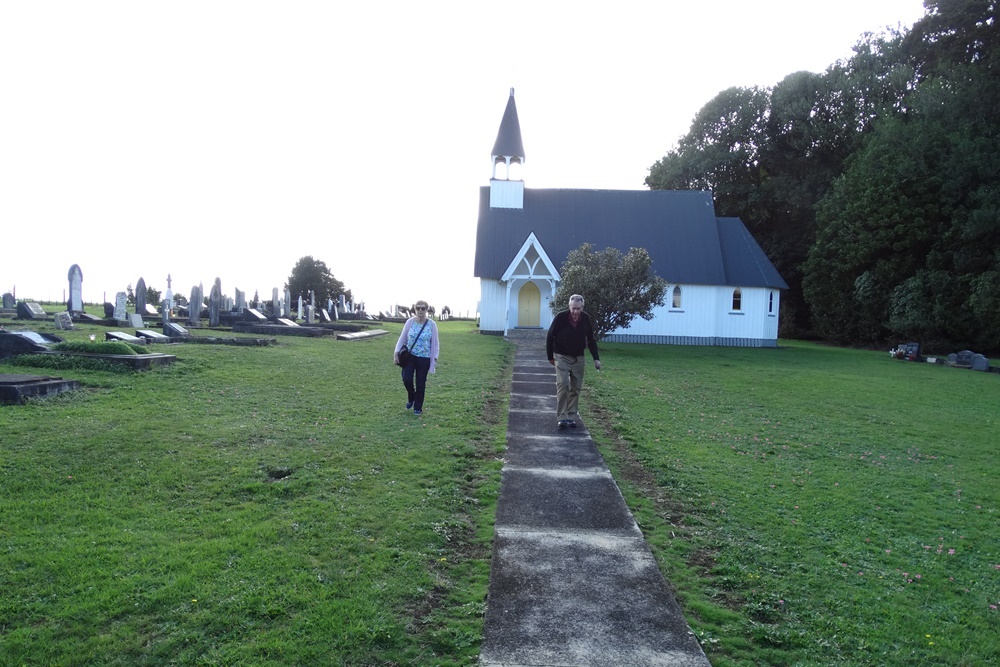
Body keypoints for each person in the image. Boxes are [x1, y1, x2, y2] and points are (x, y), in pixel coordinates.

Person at [546, 294, 601, 428]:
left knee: (576, 388)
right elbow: (550, 336)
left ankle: (571, 416)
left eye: (578, 308)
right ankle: (562, 417)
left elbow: (591, 339)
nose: (575, 312)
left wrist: (596, 359)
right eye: (573, 308)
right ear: (569, 307)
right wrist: (550, 357)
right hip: (561, 356)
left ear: (582, 307)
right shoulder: (560, 317)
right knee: (563, 384)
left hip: (578, 358)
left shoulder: (586, 319)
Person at [393, 300, 440, 416]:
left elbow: (435, 343)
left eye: (423, 308)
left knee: (420, 383)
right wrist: (396, 353)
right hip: (410, 356)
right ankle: (411, 396)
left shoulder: (432, 324)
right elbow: (402, 338)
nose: (420, 310)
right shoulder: (410, 322)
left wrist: (434, 357)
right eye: (418, 308)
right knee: (406, 378)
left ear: (426, 310)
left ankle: (418, 407)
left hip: (424, 358)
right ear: (415, 310)